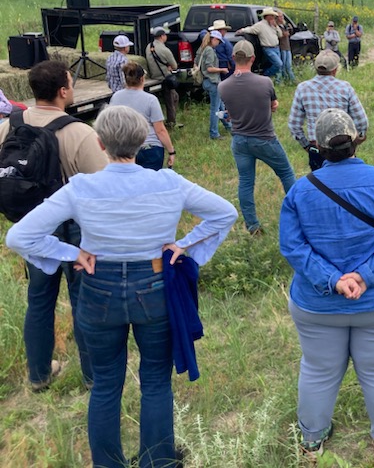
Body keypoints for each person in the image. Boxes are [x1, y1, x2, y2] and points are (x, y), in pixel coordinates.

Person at [6, 104, 237, 468]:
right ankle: (157, 461)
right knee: (156, 381)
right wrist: (184, 245)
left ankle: (107, 463)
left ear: (99, 143)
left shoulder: (81, 187)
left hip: (99, 287)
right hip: (155, 283)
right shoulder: (167, 182)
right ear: (143, 143)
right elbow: (225, 212)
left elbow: (19, 235)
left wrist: (70, 253)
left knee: (106, 383)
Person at [279, 108, 374, 460]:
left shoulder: (298, 193)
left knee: (318, 368)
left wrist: (334, 279)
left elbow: (292, 247)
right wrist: (364, 276)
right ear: (357, 139)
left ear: (317, 147)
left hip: (318, 304)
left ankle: (312, 440)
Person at [0, 60, 107, 392]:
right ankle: (93, 377)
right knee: (82, 301)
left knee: (40, 299)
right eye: (71, 83)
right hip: (73, 231)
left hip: (32, 228)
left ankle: (39, 374)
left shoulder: (8, 127)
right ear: (63, 91)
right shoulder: (78, 132)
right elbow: (103, 187)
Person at [219, 40, 297, 236]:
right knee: (286, 174)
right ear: (253, 58)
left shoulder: (223, 86)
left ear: (233, 58)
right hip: (264, 138)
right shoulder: (265, 82)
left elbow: (229, 111)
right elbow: (273, 105)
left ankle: (253, 226)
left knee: (246, 181)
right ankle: (301, 213)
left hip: (239, 140)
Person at [288, 50, 368, 171]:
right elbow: (362, 121)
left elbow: (294, 125)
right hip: (344, 146)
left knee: (321, 185)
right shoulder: (345, 88)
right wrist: (356, 140)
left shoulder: (302, 88)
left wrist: (307, 146)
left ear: (315, 67)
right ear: (335, 69)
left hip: (317, 147)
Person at [110, 64, 176, 170]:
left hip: (125, 149)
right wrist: (171, 151)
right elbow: (160, 130)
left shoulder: (116, 98)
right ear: (141, 79)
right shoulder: (151, 100)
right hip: (150, 148)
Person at [145, 26, 181, 129]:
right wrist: (168, 66)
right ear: (162, 36)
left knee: (173, 97)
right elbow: (174, 66)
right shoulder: (165, 50)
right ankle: (171, 122)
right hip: (164, 77)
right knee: (172, 99)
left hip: (153, 76)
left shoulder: (149, 47)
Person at [196, 30, 229, 140]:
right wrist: (222, 69)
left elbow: (196, 63)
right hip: (212, 81)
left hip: (205, 81)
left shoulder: (201, 49)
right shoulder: (210, 50)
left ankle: (228, 126)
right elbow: (209, 68)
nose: (218, 44)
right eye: (218, 41)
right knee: (215, 109)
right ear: (213, 39)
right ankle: (214, 133)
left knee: (221, 106)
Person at [236, 7, 282, 78]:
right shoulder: (260, 25)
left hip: (276, 47)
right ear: (268, 16)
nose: (273, 17)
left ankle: (278, 81)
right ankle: (265, 76)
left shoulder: (273, 25)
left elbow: (280, 35)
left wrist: (276, 27)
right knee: (279, 64)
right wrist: (242, 30)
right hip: (268, 48)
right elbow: (251, 29)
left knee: (277, 66)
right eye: (272, 15)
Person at [276, 10, 296, 84]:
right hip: (282, 47)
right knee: (283, 65)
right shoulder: (277, 27)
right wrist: (283, 35)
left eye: (282, 16)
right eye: (280, 16)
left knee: (288, 65)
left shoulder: (284, 26)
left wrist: (290, 30)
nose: (282, 18)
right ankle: (285, 79)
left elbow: (290, 33)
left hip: (287, 47)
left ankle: (291, 79)